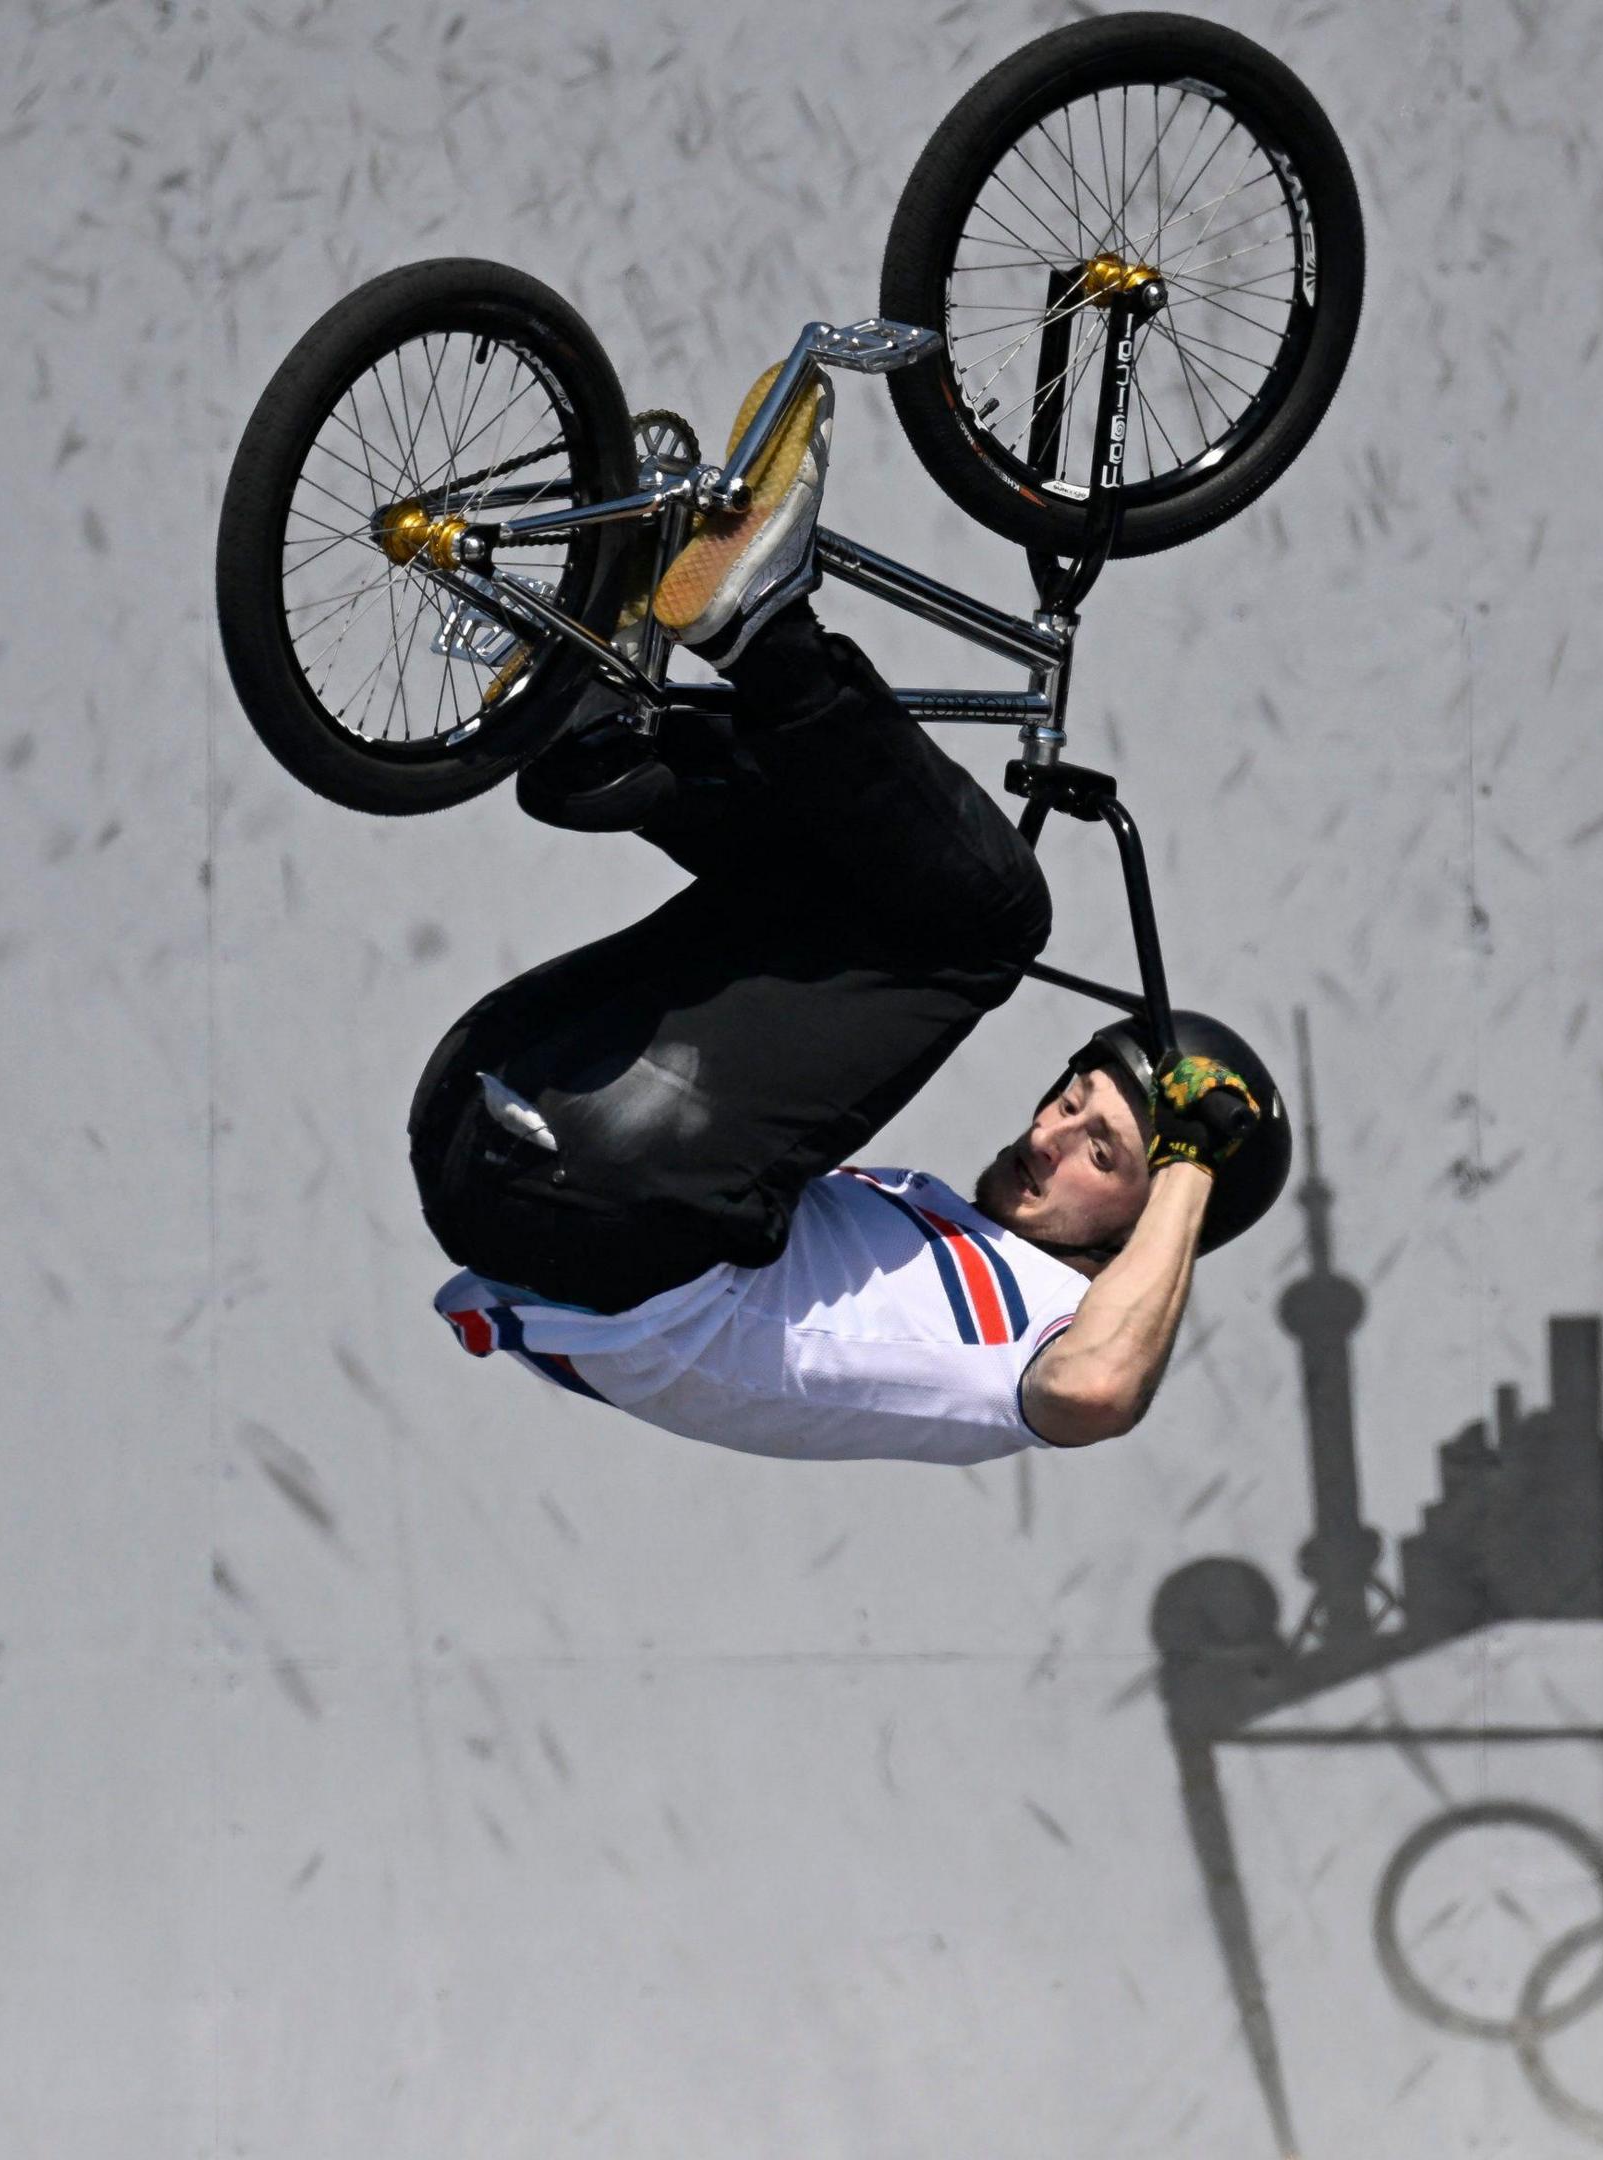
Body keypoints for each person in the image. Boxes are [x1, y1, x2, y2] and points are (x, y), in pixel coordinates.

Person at [407, 357, 1288, 1466]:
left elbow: (1102, 1390)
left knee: (994, 927)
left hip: (594, 1204)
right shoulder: (920, 1226)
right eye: (1071, 1102)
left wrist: (1194, 1166)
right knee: (844, 898)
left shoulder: (1035, 1339)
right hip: (486, 1122)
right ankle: (604, 736)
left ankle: (761, 629)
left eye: (1102, 1151)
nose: (1048, 1136)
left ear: (1145, 1227)